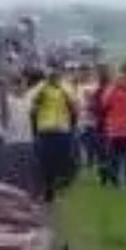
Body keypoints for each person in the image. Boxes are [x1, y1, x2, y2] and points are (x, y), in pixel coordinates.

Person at [29, 65, 79, 202]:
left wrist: (72, 126)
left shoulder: (65, 88)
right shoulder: (40, 89)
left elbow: (74, 107)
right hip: (45, 130)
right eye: (51, 74)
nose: (53, 77)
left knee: (61, 162)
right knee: (46, 163)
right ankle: (48, 191)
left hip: (62, 130)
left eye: (56, 74)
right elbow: (32, 107)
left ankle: (57, 190)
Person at [1, 71, 38, 192]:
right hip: (12, 141)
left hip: (27, 140)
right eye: (19, 85)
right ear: (13, 86)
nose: (22, 87)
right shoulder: (7, 101)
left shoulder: (28, 101)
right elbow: (3, 117)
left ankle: (29, 193)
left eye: (24, 85)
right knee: (13, 172)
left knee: (27, 171)